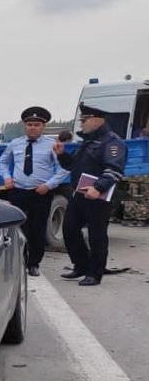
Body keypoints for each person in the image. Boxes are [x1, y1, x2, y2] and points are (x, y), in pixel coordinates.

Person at [57, 104, 126, 286]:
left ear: (97, 120)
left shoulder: (112, 143)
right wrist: (62, 155)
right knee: (69, 229)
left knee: (97, 235)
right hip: (80, 194)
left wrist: (98, 187)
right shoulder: (87, 142)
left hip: (98, 197)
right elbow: (72, 165)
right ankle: (80, 265)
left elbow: (114, 170)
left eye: (84, 120)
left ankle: (95, 273)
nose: (82, 124)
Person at [0, 107, 68, 276]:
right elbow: (3, 162)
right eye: (29, 124)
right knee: (18, 228)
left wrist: (49, 185)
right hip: (19, 192)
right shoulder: (15, 144)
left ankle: (34, 263)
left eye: (37, 124)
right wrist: (7, 177)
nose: (33, 127)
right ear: (25, 126)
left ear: (43, 127)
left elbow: (64, 169)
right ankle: (18, 260)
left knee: (38, 229)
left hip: (40, 193)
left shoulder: (52, 145)